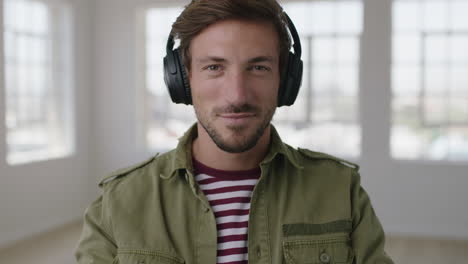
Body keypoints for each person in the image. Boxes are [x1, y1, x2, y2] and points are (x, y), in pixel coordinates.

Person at [75, 0, 394, 263]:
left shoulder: (340, 190)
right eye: (214, 67)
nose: (237, 95)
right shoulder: (117, 204)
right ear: (183, 81)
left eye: (258, 67)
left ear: (285, 81)